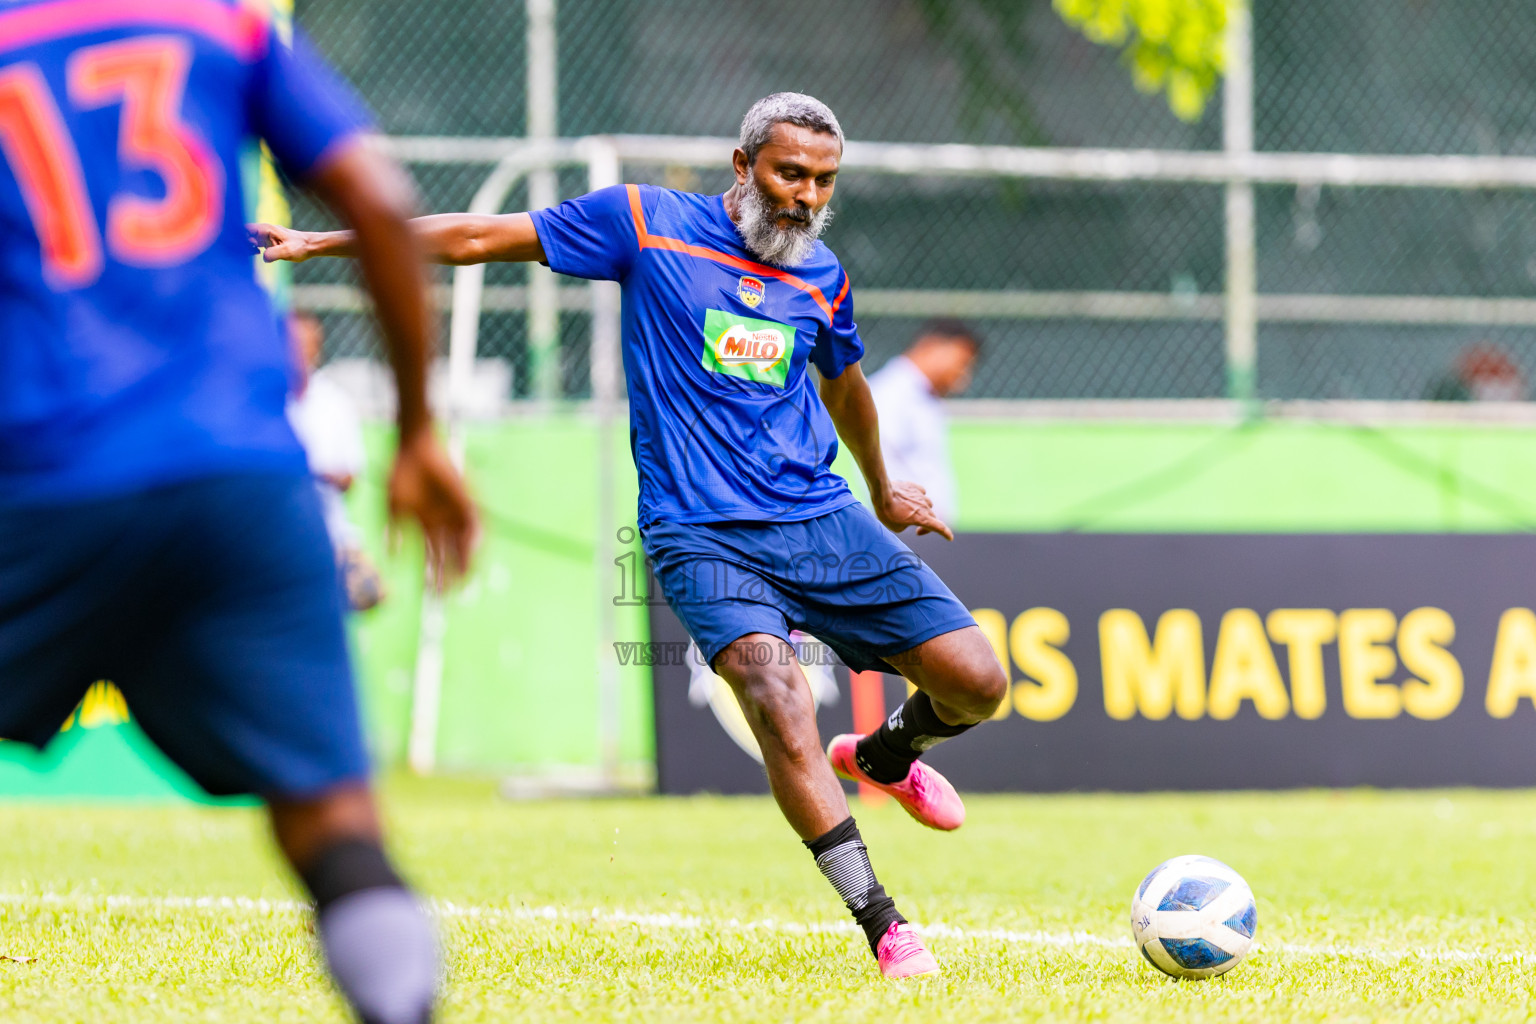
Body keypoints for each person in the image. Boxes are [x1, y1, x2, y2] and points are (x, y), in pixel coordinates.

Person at [254, 91, 1007, 980]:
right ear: (744, 167)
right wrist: (322, 243)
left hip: (818, 517)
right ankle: (884, 923)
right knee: (781, 703)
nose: (805, 196)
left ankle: (885, 756)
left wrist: (882, 491)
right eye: (789, 174)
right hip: (700, 535)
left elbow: (844, 385)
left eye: (823, 181)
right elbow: (474, 238)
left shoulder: (821, 274)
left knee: (978, 681)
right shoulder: (644, 223)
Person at [0, 6, 477, 1024]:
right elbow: (382, 203)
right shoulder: (225, 29)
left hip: (42, 480)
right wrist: (423, 433)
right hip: (241, 473)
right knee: (330, 816)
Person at [288, 311, 386, 610]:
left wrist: (314, 473)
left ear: (318, 346)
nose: (300, 350)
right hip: (275, 530)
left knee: (366, 592)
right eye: (293, 342)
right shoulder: (263, 393)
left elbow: (350, 477)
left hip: (328, 533)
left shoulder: (335, 403)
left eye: (307, 343)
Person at [867, 320, 981, 524]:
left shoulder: (926, 398)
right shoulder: (889, 393)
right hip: (904, 531)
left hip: (925, 530)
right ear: (933, 346)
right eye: (962, 363)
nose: (963, 378)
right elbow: (882, 465)